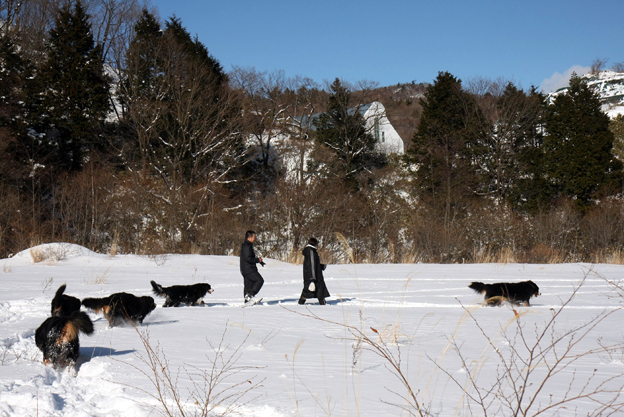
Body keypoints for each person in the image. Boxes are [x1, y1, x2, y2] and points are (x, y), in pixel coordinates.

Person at [299, 237, 330, 305]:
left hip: (313, 275)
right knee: (310, 291)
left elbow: (313, 264)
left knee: (317, 291)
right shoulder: (311, 251)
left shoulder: (311, 251)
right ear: (315, 244)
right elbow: (312, 265)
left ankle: (322, 303)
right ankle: (301, 303)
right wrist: (312, 279)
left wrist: (321, 266)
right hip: (314, 276)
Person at [240, 230, 264, 304]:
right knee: (259, 280)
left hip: (245, 269)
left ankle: (247, 301)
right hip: (248, 269)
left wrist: (260, 262)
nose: (255, 238)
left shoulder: (247, 245)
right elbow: (248, 258)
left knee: (248, 284)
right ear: (249, 237)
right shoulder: (247, 246)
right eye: (254, 237)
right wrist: (257, 260)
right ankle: (250, 295)